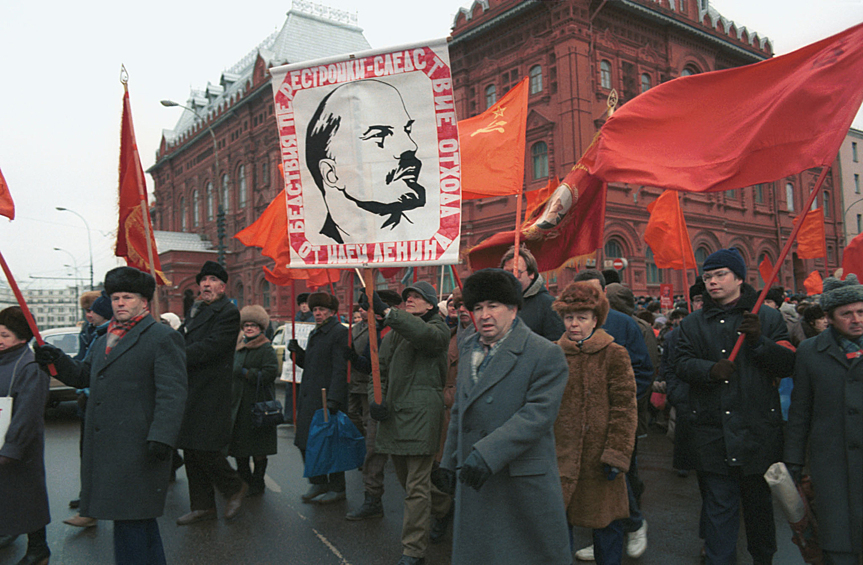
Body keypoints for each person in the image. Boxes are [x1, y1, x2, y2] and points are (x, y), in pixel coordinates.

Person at [33, 267, 188, 565]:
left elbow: (173, 393)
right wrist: (56, 359)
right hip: (108, 444)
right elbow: (83, 374)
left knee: (132, 520)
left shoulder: (161, 337)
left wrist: (162, 437)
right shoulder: (104, 338)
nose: (119, 303)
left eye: (127, 297)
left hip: (139, 444)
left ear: (144, 301)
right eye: (115, 297)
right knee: (133, 520)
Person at [440, 268, 571, 565]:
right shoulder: (468, 345)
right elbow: (461, 410)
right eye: (477, 307)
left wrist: (487, 454)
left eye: (493, 306)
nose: (484, 315)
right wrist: (448, 462)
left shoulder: (544, 353)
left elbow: (537, 415)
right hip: (474, 479)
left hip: (519, 481)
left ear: (513, 309)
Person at [675, 248, 794, 565]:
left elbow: (787, 365)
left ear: (739, 277)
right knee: (719, 510)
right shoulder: (692, 323)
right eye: (707, 277)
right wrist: (709, 371)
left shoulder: (767, 318)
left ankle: (763, 559)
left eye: (720, 275)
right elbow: (680, 365)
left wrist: (759, 343)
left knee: (758, 509)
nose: (712, 282)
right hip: (714, 436)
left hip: (758, 435)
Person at [364, 281, 452, 565]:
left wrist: (388, 313)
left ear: (430, 305)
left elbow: (425, 337)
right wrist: (376, 400)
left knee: (415, 488)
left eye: (417, 297)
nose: (410, 300)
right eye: (407, 297)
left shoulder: (438, 329)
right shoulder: (395, 336)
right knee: (410, 483)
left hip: (422, 416)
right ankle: (445, 505)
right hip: (394, 416)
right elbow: (379, 371)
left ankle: (413, 551)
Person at [553, 281, 637, 565]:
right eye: (569, 317)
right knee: (558, 530)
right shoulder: (553, 354)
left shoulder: (614, 354)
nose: (574, 323)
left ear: (595, 319)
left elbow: (625, 408)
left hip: (600, 459)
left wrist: (616, 453)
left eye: (582, 317)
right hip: (559, 456)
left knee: (606, 526)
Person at [572, 270, 651, 562]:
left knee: (617, 480)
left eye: (594, 292)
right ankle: (602, 535)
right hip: (580, 428)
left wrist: (621, 404)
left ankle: (633, 523)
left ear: (605, 293)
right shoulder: (570, 326)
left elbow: (643, 371)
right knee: (592, 490)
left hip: (615, 424)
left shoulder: (623, 324)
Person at [785, 274, 863, 565]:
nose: (856, 319)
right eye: (847, 314)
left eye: (861, 311)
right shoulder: (810, 352)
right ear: (829, 317)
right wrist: (793, 464)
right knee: (836, 546)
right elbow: (800, 412)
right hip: (831, 468)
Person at [306, 79, 426, 243]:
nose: (411, 146)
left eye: (407, 130)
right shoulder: (320, 250)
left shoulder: (425, 238)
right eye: (379, 135)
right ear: (331, 173)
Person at [176, 260, 247, 525]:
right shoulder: (195, 311)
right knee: (190, 449)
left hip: (211, 388)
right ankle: (203, 506)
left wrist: (177, 355)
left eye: (212, 280)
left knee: (204, 447)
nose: (205, 285)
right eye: (202, 281)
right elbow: (184, 339)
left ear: (222, 286)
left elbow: (212, 347)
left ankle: (234, 487)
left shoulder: (226, 313)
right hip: (191, 386)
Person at [345, 290, 403, 521]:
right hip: (377, 399)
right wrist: (354, 359)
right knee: (373, 450)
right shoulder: (369, 331)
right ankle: (372, 499)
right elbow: (372, 368)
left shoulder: (402, 329)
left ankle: (437, 507)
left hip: (404, 402)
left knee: (409, 464)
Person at [0, 307, 51, 565]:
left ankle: (38, 549)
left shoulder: (29, 365)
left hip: (21, 445)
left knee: (27, 498)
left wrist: (11, 448)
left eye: (5, 335)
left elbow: (28, 413)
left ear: (21, 337)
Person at [287, 292, 349, 504]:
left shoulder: (339, 332)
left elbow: (340, 368)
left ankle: (337, 486)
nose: (318, 313)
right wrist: (298, 354)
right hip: (310, 395)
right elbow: (311, 364)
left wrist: (334, 399)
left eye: (322, 309)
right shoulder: (317, 333)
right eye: (315, 310)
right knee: (306, 442)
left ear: (332, 311)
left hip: (326, 397)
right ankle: (319, 481)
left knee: (330, 444)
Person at [66, 291, 112, 528]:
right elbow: (83, 365)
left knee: (98, 456)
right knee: (87, 453)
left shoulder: (108, 335)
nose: (88, 315)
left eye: (91, 310)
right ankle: (89, 502)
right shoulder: (90, 332)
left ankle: (93, 505)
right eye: (86, 311)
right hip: (88, 398)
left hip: (101, 402)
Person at [229, 305, 279, 497]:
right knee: (240, 448)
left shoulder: (266, 348)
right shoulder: (239, 347)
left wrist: (246, 372)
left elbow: (269, 373)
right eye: (246, 325)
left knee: (258, 447)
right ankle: (245, 480)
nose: (249, 328)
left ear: (261, 328)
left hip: (258, 404)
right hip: (239, 405)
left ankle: (258, 482)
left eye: (253, 325)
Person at [499, 245, 565, 341]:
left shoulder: (548, 305)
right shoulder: (498, 303)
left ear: (531, 274)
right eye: (506, 273)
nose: (510, 277)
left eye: (516, 272)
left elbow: (555, 344)